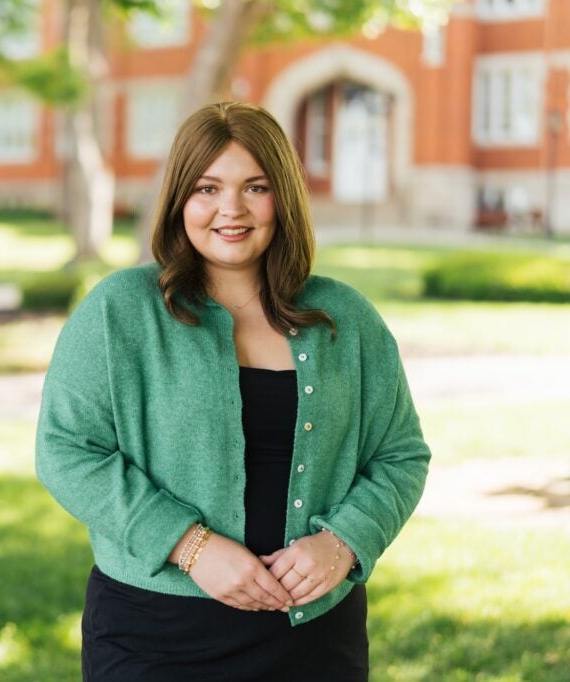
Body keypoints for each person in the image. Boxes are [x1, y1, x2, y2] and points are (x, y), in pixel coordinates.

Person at [35, 100, 431, 681]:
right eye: (207, 188)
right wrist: (190, 546)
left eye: (255, 187)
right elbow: (66, 451)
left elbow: (400, 456)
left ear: (284, 197)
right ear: (179, 200)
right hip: (154, 636)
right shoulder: (119, 311)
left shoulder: (346, 319)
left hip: (314, 637)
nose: (231, 209)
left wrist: (344, 542)